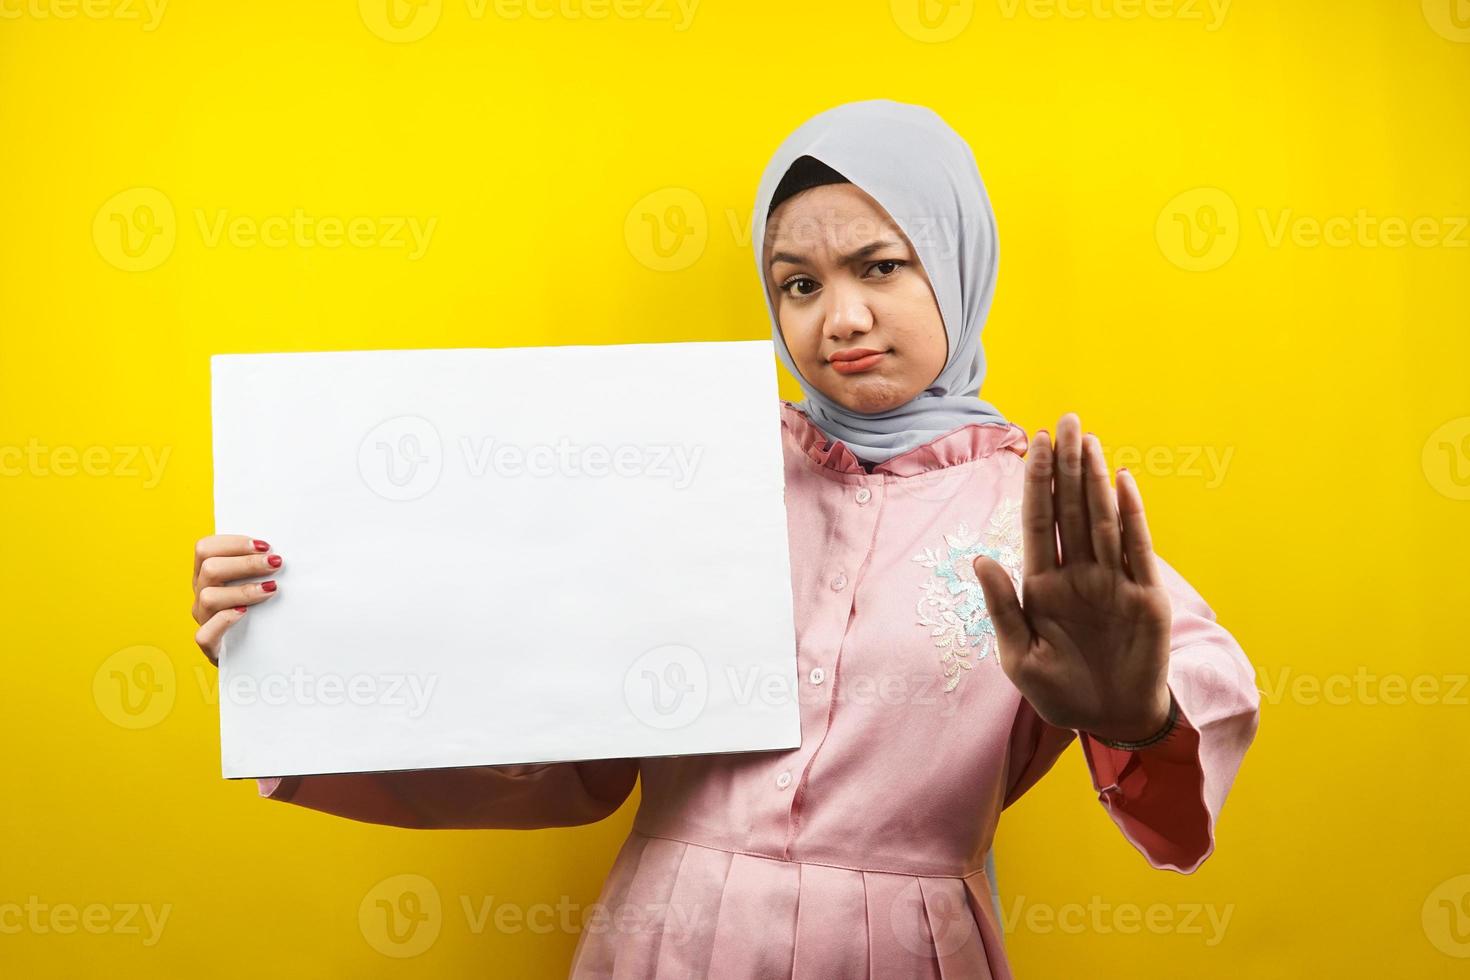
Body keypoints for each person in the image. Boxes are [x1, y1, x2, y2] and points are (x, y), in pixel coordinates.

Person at [190, 99, 1260, 979]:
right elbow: (546, 725)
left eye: (881, 266)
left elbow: (1191, 703)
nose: (837, 317)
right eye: (799, 282)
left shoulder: (1037, 513)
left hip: (902, 952)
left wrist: (1142, 713)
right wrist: (298, 657)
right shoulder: (692, 469)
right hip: (663, 940)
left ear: (958, 259)